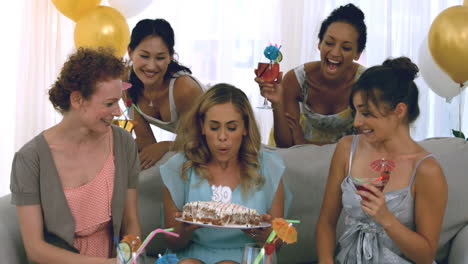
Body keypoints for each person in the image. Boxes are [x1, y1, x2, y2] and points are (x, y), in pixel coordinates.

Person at [10, 48, 142, 263]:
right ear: (78, 99)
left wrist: (127, 257)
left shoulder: (123, 143)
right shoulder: (30, 159)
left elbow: (131, 222)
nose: (118, 112)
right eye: (109, 103)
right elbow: (35, 249)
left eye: (118, 101)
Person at [315, 57, 448, 263]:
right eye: (356, 111)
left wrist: (386, 219)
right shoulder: (346, 149)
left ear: (399, 111)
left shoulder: (426, 170)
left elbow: (426, 255)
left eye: (366, 113)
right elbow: (326, 222)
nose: (357, 122)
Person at [160, 83, 292, 264]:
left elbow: (277, 244)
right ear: (202, 127)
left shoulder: (268, 166)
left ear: (245, 128)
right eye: (214, 128)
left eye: (231, 128)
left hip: (246, 256)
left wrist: (258, 232)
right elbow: (172, 242)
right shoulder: (180, 167)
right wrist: (183, 231)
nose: (223, 137)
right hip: (191, 254)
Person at [257, 3, 367, 147]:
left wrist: (304, 142)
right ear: (319, 43)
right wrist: (276, 103)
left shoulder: (366, 84)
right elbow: (285, 145)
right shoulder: (296, 80)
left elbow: (364, 144)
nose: (335, 52)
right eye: (329, 43)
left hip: (346, 162)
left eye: (346, 48)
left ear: (358, 54)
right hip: (300, 158)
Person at [125, 18, 204, 169]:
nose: (151, 66)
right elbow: (145, 142)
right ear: (130, 52)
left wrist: (167, 146)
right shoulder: (126, 83)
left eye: (160, 58)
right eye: (144, 56)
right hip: (189, 149)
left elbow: (206, 140)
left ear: (170, 56)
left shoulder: (184, 89)